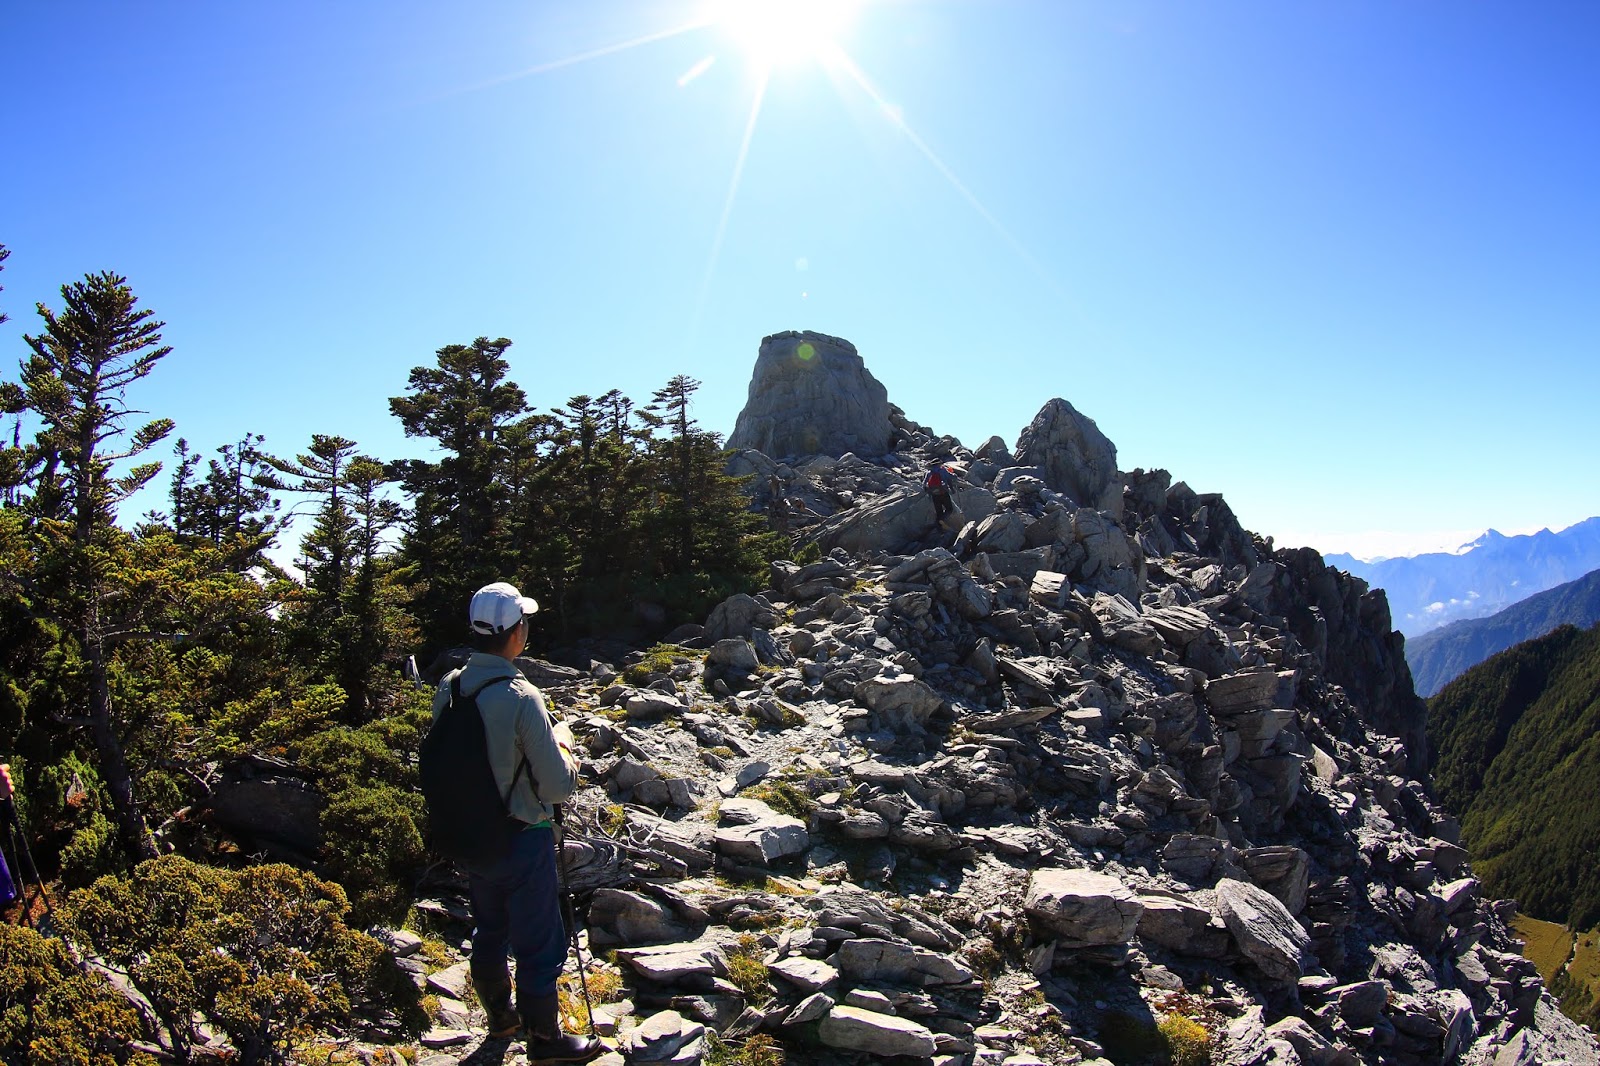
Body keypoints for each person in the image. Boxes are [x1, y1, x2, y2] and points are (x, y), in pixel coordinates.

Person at [434, 581, 602, 1063]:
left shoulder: (451, 686)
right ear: (513, 633)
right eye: (524, 621)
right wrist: (565, 744)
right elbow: (557, 788)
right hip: (520, 837)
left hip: (470, 835)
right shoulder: (520, 695)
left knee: (489, 928)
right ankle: (546, 1042)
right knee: (538, 940)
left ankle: (500, 1018)